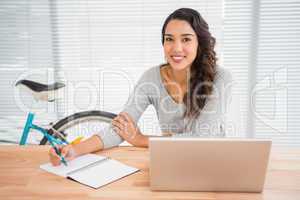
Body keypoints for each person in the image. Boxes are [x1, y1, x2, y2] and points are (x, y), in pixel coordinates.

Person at [49, 8, 233, 166]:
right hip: (173, 159)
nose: (176, 48)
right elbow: (121, 127)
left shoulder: (221, 78)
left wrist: (141, 139)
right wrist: (73, 150)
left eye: (186, 39)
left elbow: (201, 140)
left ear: (199, 43)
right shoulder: (151, 78)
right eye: (169, 39)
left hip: (213, 162)